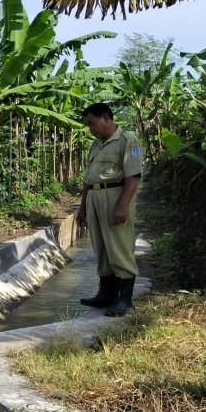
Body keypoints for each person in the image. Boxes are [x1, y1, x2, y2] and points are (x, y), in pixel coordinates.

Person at [76, 102, 142, 317]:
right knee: (102, 247)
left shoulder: (127, 140)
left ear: (106, 117)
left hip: (115, 197)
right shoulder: (96, 145)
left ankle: (124, 300)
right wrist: (82, 207)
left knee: (119, 247)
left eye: (92, 123)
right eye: (88, 125)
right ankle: (106, 294)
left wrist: (122, 206)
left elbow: (133, 176)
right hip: (94, 197)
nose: (91, 129)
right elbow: (88, 179)